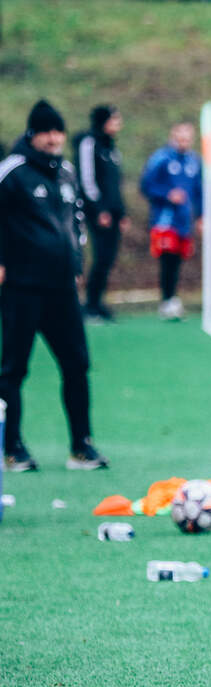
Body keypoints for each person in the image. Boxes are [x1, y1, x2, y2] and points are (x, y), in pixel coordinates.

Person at [0, 100, 110, 472]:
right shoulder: (11, 171)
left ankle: (82, 447)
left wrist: (77, 263)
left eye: (58, 131)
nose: (54, 138)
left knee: (77, 363)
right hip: (22, 287)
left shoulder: (66, 171)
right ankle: (12, 448)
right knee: (14, 369)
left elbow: (76, 220)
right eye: (47, 132)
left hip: (62, 288)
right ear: (33, 134)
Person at [139, 122, 201, 320]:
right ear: (173, 137)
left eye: (187, 138)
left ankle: (172, 298)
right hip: (165, 220)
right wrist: (167, 195)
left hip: (184, 221)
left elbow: (199, 191)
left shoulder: (194, 161)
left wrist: (201, 216)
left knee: (178, 260)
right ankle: (167, 300)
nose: (184, 142)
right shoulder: (161, 158)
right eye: (180, 138)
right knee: (168, 259)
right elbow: (146, 185)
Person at [74, 104, 130, 323]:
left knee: (108, 258)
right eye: (114, 119)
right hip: (97, 213)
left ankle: (97, 301)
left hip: (113, 213)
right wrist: (99, 209)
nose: (118, 124)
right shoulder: (89, 143)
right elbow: (87, 179)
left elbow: (116, 184)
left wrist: (121, 212)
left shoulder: (112, 148)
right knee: (100, 256)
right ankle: (90, 304)